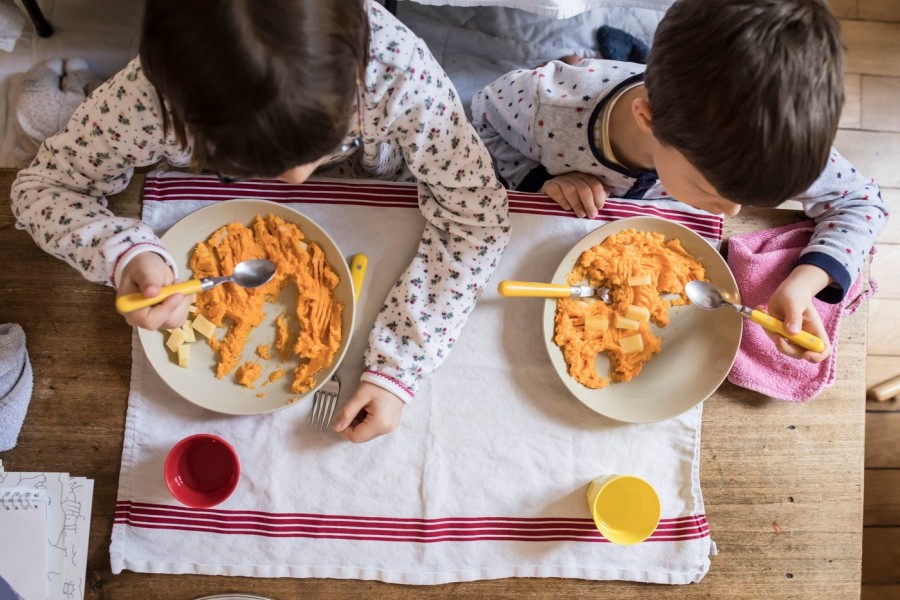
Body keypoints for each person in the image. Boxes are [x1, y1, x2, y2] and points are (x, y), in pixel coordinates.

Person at [10, 0, 510, 443]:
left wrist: (398, 366)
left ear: (358, 77)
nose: (292, 180)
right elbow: (42, 189)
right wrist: (123, 252)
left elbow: (476, 217)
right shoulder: (147, 101)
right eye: (243, 159)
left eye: (316, 146)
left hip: (375, 195)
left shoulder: (399, 75)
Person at [471, 0, 887, 364]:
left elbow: (863, 201)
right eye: (710, 192)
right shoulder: (550, 110)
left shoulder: (774, 146)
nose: (732, 213)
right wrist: (539, 178)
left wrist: (802, 284)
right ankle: (581, 62)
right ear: (647, 119)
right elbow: (484, 121)